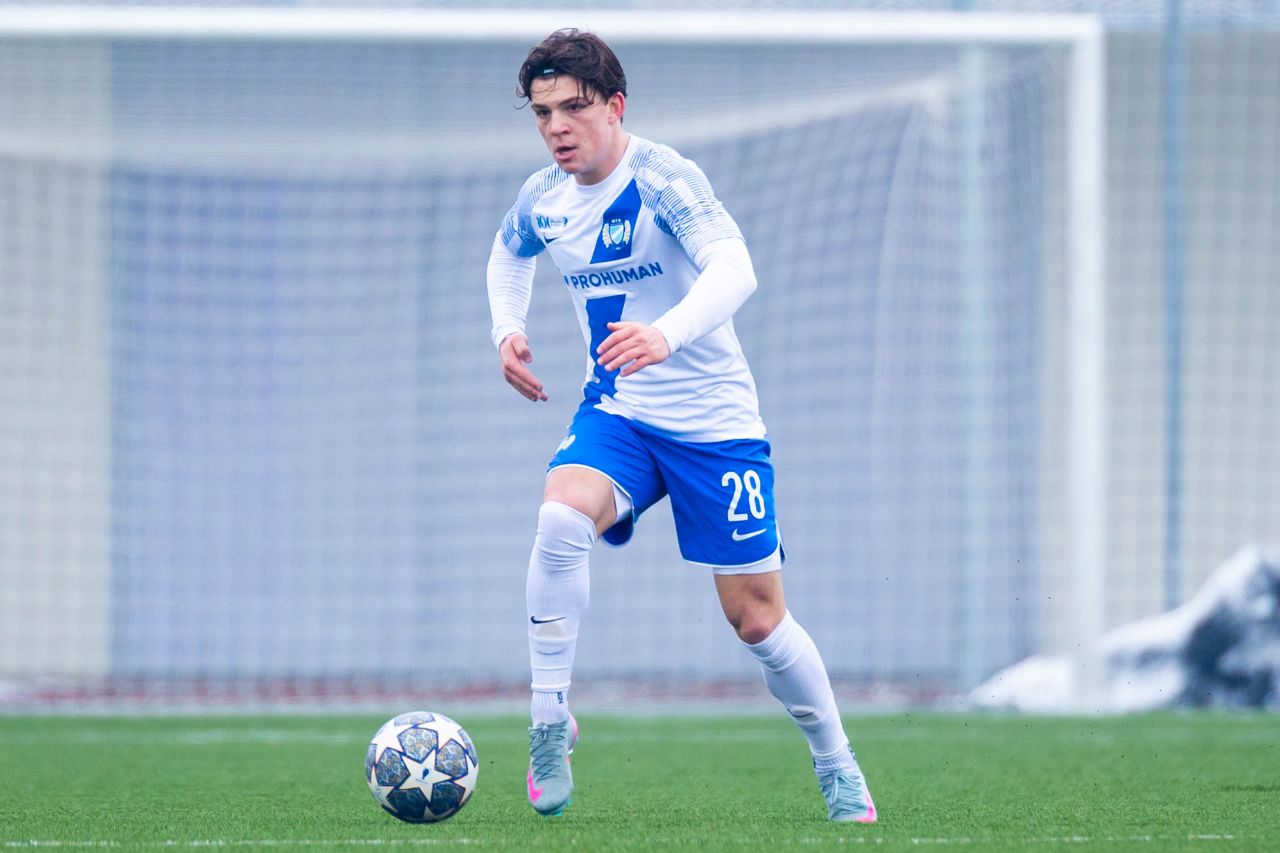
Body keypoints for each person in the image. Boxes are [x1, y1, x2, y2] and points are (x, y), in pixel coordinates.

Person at [486, 28, 876, 824]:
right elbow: (507, 253)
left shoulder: (663, 178)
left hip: (713, 425)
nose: (557, 126)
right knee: (559, 516)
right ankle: (548, 720)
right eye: (543, 113)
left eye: (573, 108)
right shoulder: (543, 197)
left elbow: (736, 267)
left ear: (615, 106)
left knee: (757, 619)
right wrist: (507, 329)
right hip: (621, 411)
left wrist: (667, 334)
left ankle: (837, 761)